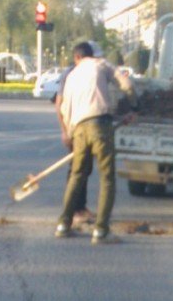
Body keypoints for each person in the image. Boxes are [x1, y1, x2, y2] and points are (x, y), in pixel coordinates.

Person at [55, 42, 138, 244]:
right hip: (100, 125)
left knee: (77, 175)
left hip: (79, 129)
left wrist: (69, 133)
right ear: (91, 55)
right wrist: (135, 106)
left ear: (77, 58)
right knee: (107, 177)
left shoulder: (72, 75)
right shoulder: (101, 65)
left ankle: (63, 225)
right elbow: (126, 85)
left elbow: (64, 107)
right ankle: (101, 231)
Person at [54, 41, 105, 226]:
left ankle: (80, 207)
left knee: (84, 169)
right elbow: (60, 104)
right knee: (77, 170)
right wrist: (65, 131)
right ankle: (73, 210)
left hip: (86, 126)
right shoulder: (71, 73)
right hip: (76, 127)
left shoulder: (92, 71)